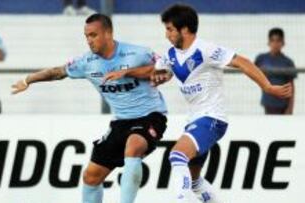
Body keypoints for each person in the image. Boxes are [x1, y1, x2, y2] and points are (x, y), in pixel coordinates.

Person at [104, 4, 292, 203]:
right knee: (193, 180)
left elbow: (242, 62)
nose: (166, 34)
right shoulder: (171, 54)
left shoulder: (206, 50)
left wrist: (267, 86)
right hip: (195, 119)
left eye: (169, 29)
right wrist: (127, 73)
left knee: (176, 156)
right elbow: (155, 70)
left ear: (184, 29)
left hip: (211, 118)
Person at [11, 14, 167, 203]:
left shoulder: (138, 53)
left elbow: (165, 70)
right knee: (91, 176)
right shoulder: (86, 62)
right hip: (121, 122)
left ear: (108, 33)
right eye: (86, 36)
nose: (89, 40)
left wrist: (127, 72)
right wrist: (28, 80)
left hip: (150, 115)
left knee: (133, 146)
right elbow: (57, 72)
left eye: (93, 35)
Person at [255, 28, 297, 115]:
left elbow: (291, 87)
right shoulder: (261, 59)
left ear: (283, 43)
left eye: (278, 41)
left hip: (283, 104)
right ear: (268, 42)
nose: (275, 44)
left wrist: (290, 108)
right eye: (272, 40)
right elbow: (252, 72)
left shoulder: (287, 62)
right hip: (268, 102)